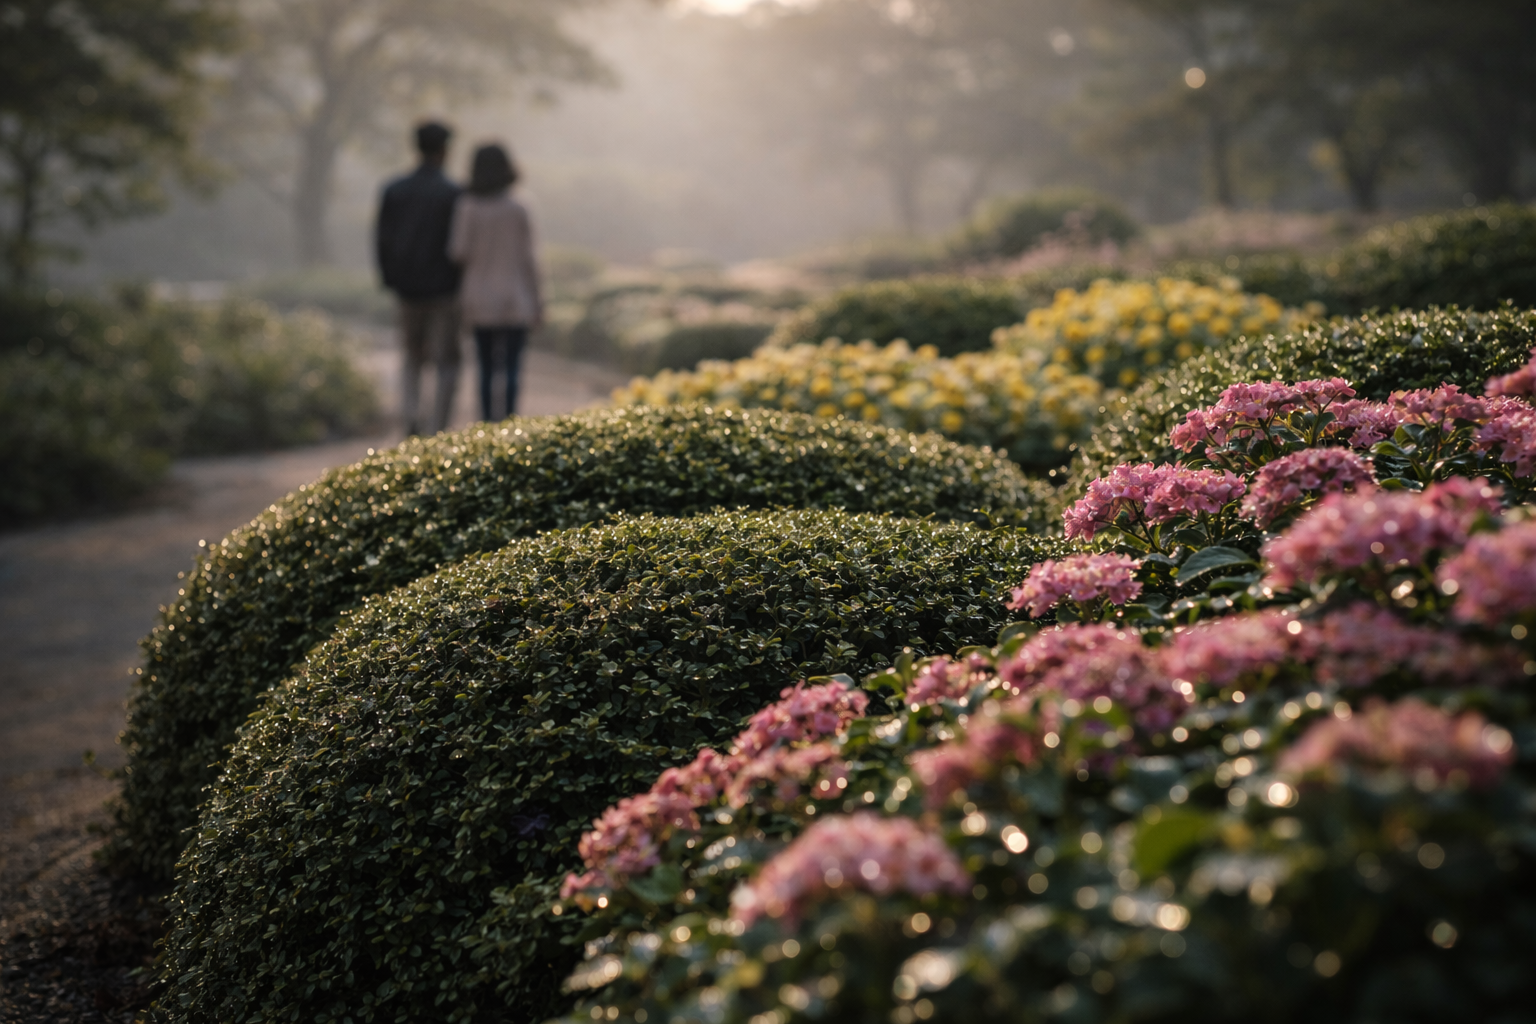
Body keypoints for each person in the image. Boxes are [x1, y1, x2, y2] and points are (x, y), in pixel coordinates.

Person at [375, 121, 463, 436]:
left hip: (407, 287)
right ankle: (439, 426)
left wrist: (389, 278)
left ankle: (411, 416)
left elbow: (382, 240)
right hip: (445, 289)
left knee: (412, 356)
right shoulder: (454, 193)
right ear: (444, 150)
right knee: (447, 361)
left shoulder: (395, 189)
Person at [448, 142, 543, 422]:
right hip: (516, 297)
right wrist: (539, 301)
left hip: (479, 298)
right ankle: (510, 424)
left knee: (486, 368)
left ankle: (488, 426)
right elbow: (530, 259)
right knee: (512, 367)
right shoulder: (519, 206)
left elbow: (458, 251)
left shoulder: (468, 206)